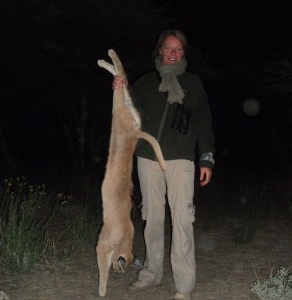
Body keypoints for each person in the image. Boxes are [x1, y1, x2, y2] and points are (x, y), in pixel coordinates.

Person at [112, 29, 215, 300]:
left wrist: (207, 157)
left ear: (183, 53)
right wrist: (122, 92)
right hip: (147, 157)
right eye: (168, 48)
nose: (172, 53)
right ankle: (151, 274)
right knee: (153, 219)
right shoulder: (146, 82)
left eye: (178, 49)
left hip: (181, 158)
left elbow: (203, 123)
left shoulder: (193, 83)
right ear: (160, 50)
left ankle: (184, 285)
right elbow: (131, 116)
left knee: (182, 219)